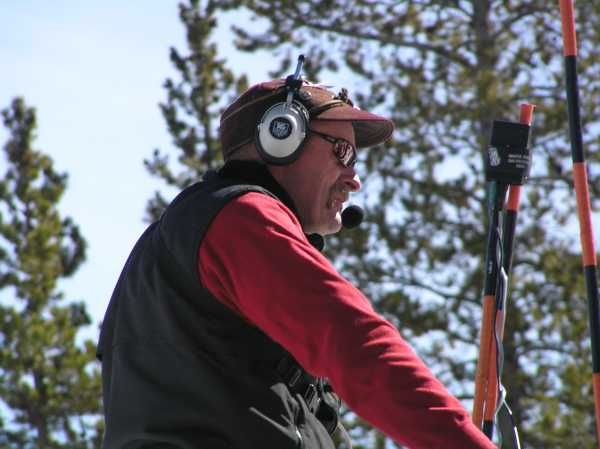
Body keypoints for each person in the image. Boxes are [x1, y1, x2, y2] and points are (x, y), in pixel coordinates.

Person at [97, 67, 497, 449]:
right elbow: (357, 345)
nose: (354, 178)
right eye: (342, 152)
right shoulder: (242, 220)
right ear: (280, 137)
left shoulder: (197, 231)